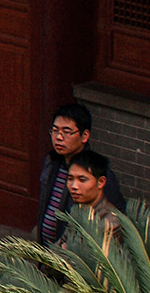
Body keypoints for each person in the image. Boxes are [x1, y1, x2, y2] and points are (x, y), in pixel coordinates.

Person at [34, 103, 127, 246]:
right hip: (49, 253)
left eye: (67, 132)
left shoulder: (98, 173)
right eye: (55, 130)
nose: (58, 137)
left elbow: (116, 218)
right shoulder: (53, 162)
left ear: (84, 136)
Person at [63, 150, 121, 235]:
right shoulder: (78, 210)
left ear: (100, 182)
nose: (74, 186)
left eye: (82, 180)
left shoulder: (111, 222)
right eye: (70, 179)